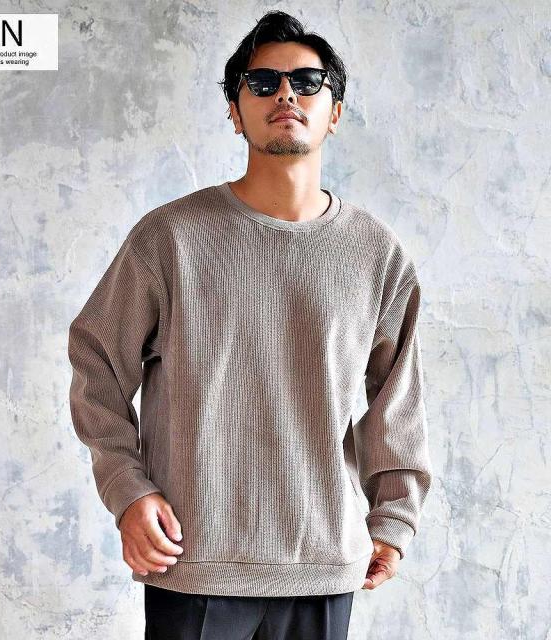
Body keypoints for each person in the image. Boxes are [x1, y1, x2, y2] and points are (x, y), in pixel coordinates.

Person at [68, 9, 433, 640]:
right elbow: (96, 360)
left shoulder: (377, 255)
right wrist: (128, 490)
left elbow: (396, 400)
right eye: (262, 83)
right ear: (235, 113)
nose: (285, 94)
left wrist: (394, 520)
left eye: (307, 82)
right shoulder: (170, 239)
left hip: (322, 564)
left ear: (334, 111)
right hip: (195, 560)